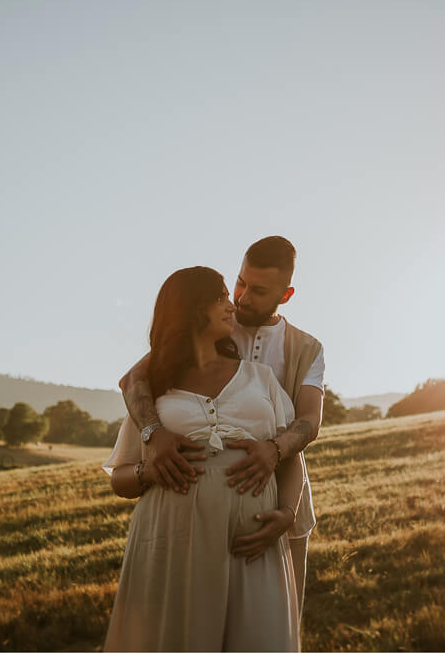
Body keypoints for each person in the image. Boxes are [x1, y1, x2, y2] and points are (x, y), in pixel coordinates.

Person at [118, 236, 325, 615]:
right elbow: (134, 380)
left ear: (286, 295)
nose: (242, 298)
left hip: (281, 502)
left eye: (258, 291)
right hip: (195, 521)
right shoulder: (212, 327)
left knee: (279, 619)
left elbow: (309, 420)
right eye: (241, 282)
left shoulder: (306, 348)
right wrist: (154, 433)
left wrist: (275, 452)